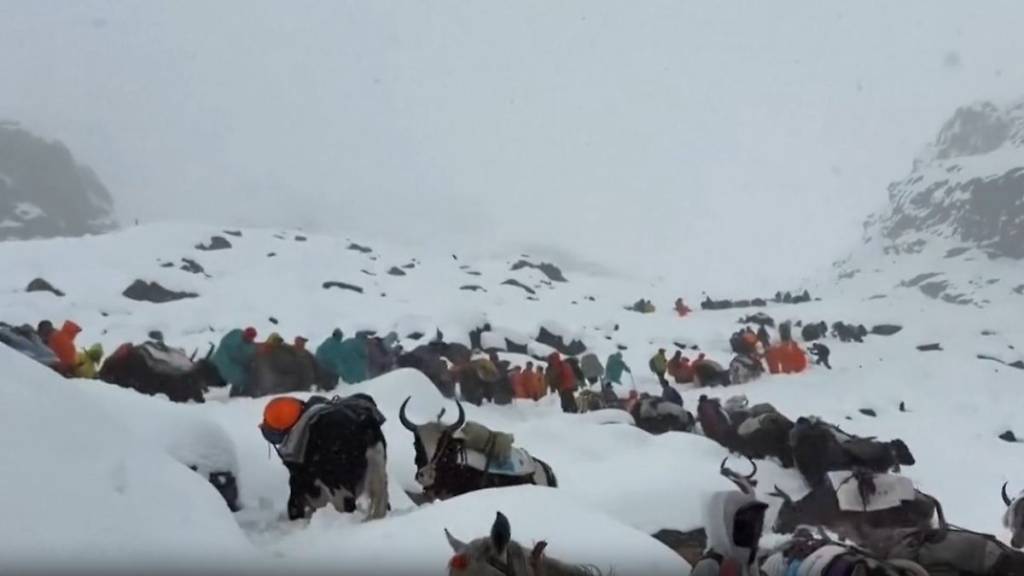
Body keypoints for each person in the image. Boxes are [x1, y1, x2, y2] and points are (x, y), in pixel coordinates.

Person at [260, 394, 388, 521]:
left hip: (339, 446)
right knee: (376, 493)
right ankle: (380, 513)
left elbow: (298, 490)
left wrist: (295, 513)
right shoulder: (327, 415)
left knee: (334, 484)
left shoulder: (302, 444)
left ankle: (350, 518)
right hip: (369, 432)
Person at [691, 491, 769, 576]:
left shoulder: (750, 563)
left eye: (758, 521)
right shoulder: (710, 566)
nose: (755, 529)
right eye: (745, 523)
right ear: (725, 522)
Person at [212, 327, 259, 396]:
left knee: (244, 374)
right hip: (226, 363)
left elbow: (251, 351)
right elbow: (237, 356)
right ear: (245, 334)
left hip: (222, 361)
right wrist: (248, 362)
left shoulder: (246, 342)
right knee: (241, 376)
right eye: (249, 336)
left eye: (252, 337)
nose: (251, 338)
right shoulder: (236, 339)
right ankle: (237, 392)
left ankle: (240, 391)